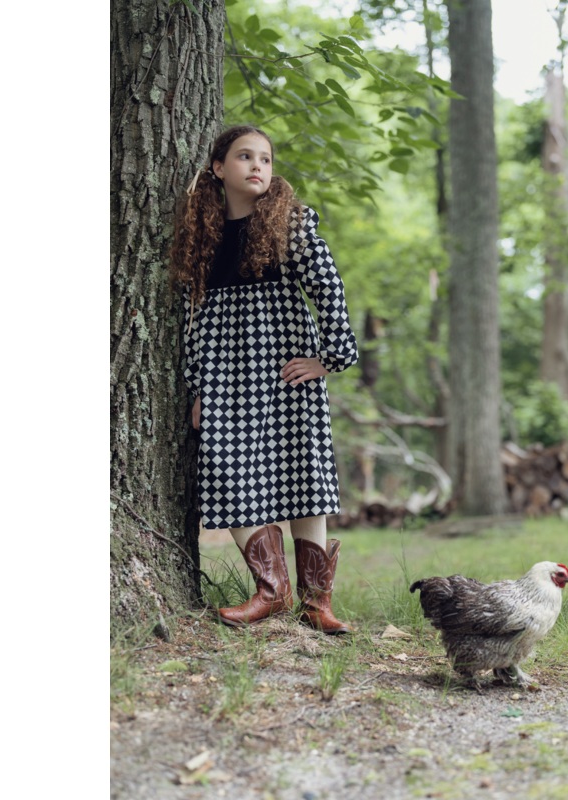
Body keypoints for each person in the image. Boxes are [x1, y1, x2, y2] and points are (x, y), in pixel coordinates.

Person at [170, 125, 359, 634]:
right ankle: (273, 591)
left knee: (303, 475)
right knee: (226, 471)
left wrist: (330, 358)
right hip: (225, 374)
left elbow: (329, 289)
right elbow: (193, 320)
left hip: (285, 369)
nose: (258, 166)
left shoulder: (289, 227)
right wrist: (198, 387)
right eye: (244, 156)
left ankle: (317, 603)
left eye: (266, 159)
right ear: (218, 168)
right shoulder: (203, 237)